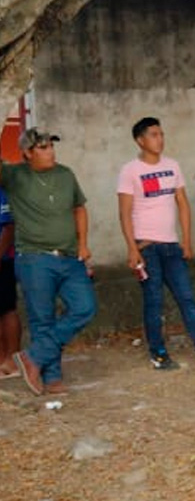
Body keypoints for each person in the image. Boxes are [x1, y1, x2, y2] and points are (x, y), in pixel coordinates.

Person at [119, 117, 195, 370]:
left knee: (187, 298)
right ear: (140, 140)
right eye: (153, 135)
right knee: (154, 301)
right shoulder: (130, 170)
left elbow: (182, 203)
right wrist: (132, 248)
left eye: (161, 134)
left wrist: (187, 241)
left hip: (171, 246)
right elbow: (124, 212)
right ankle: (158, 352)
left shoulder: (172, 165)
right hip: (147, 247)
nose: (160, 139)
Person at [2, 129, 97, 395]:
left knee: (85, 308)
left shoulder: (65, 174)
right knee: (42, 319)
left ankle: (33, 357)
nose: (50, 152)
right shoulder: (15, 176)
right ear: (27, 154)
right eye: (42, 148)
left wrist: (83, 244)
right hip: (34, 259)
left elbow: (79, 208)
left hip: (69, 256)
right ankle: (52, 377)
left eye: (50, 147)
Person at [0, 185, 22, 379]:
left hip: (3, 261)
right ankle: (1, 360)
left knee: (7, 309)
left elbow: (8, 227)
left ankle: (13, 360)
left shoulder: (2, 194)